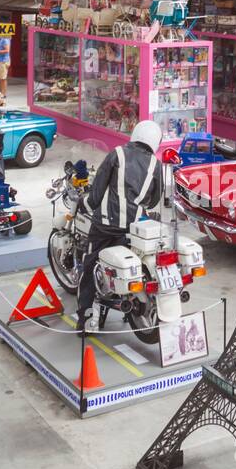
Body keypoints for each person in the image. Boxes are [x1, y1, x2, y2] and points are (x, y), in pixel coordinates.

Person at [76, 120, 164, 332]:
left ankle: (85, 319)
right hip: (135, 228)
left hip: (105, 225)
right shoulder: (156, 164)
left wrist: (83, 203)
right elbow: (153, 201)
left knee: (89, 264)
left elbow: (96, 193)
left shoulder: (117, 153)